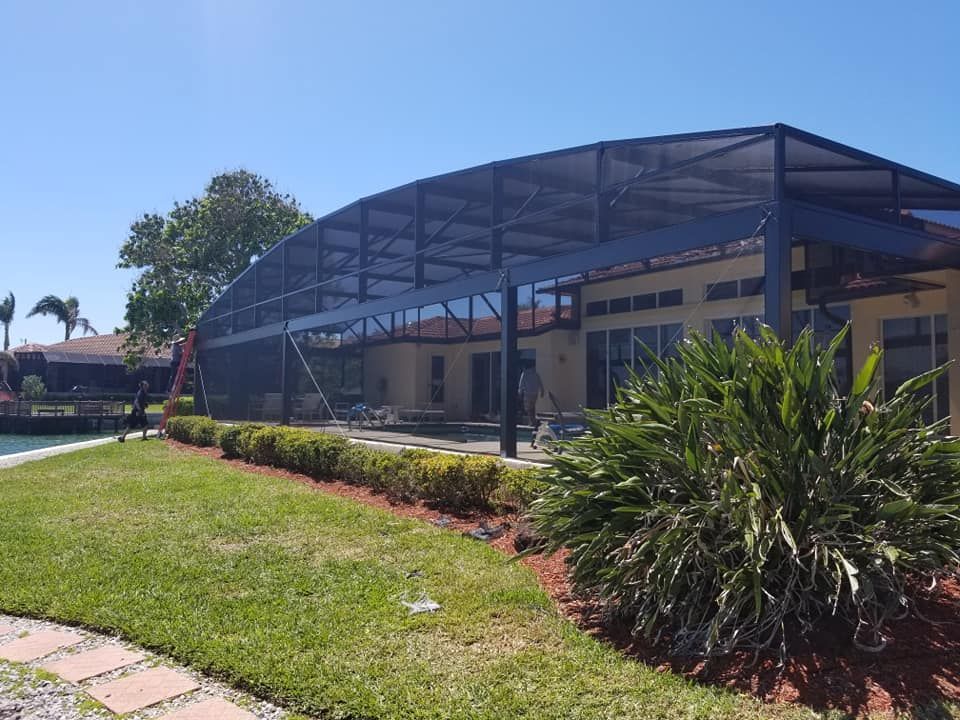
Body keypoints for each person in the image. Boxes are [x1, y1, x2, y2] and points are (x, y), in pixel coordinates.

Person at [517, 360, 544, 445]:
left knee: (528, 408)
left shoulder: (525, 373)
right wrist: (542, 391)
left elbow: (521, 384)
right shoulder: (535, 373)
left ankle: (533, 422)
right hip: (535, 392)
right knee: (532, 406)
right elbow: (540, 382)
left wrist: (520, 393)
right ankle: (532, 421)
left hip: (528, 393)